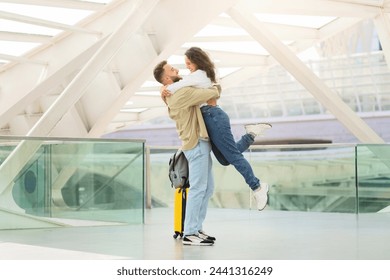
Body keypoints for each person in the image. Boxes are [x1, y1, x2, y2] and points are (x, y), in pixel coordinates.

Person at [160, 47, 270, 210]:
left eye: (189, 63)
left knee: (232, 156)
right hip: (210, 118)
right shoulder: (198, 76)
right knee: (225, 159)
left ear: (196, 60)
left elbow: (180, 86)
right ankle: (250, 134)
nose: (188, 67)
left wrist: (165, 89)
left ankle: (257, 187)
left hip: (213, 116)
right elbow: (183, 87)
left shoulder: (199, 75)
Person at [154, 60, 220, 246]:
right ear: (167, 77)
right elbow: (210, 92)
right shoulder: (178, 93)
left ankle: (196, 228)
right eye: (171, 69)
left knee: (207, 189)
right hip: (195, 142)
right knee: (198, 188)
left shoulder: (176, 89)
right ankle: (190, 232)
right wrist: (216, 85)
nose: (176, 68)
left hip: (200, 141)